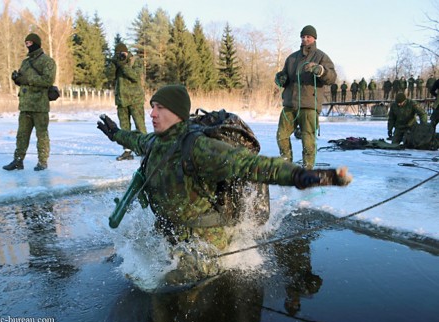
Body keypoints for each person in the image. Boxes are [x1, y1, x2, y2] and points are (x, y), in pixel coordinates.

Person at [96, 84, 352, 282]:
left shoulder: (198, 147)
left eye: (160, 108)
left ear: (177, 113)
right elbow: (135, 140)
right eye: (152, 107)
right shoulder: (155, 143)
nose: (152, 113)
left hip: (206, 242)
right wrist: (115, 133)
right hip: (174, 233)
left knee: (171, 287)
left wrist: (300, 176)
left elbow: (251, 165)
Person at [274, 25, 337, 170]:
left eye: (308, 36)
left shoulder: (321, 56)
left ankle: (307, 168)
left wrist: (320, 70)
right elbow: (284, 78)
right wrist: (280, 78)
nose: (305, 39)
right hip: (290, 104)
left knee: (308, 140)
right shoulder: (291, 58)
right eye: (303, 36)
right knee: (281, 135)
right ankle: (286, 164)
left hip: (309, 105)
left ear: (314, 38)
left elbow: (332, 78)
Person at [3, 33, 56, 171]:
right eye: (26, 43)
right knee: (21, 135)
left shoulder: (47, 61)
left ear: (37, 43)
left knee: (42, 135)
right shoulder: (25, 62)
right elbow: (23, 80)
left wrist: (28, 79)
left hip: (39, 105)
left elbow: (48, 80)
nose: (28, 45)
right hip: (25, 105)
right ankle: (18, 160)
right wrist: (17, 79)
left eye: (30, 43)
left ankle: (42, 162)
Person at [112, 42, 147, 161]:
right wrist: (114, 64)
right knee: (124, 127)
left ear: (127, 52)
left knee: (140, 125)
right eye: (118, 54)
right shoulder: (117, 63)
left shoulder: (135, 61)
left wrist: (123, 65)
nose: (121, 56)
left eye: (122, 53)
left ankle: (146, 149)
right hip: (121, 99)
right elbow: (108, 75)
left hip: (135, 99)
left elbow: (135, 77)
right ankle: (127, 151)